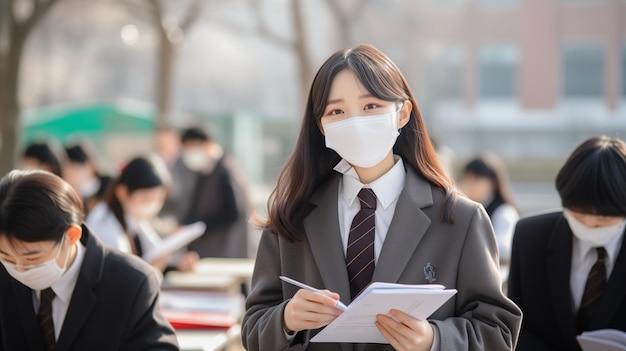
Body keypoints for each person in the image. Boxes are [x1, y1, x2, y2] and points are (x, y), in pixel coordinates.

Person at [242, 44, 521, 351]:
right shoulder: (292, 215)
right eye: (337, 111)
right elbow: (254, 328)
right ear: (321, 126)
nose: (356, 122)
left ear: (402, 113)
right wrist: (286, 319)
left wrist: (435, 340)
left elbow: (498, 333)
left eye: (371, 106)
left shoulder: (460, 218)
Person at [0, 169, 178, 350]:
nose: (20, 269)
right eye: (5, 256)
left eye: (32, 257)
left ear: (71, 235)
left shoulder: (131, 284)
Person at [508, 135, 626, 351]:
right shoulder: (531, 237)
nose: (589, 225)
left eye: (604, 221)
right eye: (578, 216)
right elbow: (515, 324)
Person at [86, 156, 197, 272]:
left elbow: (153, 253)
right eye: (146, 199)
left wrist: (177, 265)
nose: (153, 206)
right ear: (123, 192)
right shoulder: (104, 223)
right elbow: (121, 274)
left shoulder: (135, 217)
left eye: (159, 199)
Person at [169, 126, 250, 258]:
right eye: (187, 149)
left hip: (225, 251)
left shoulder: (225, 170)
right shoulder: (206, 169)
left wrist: (194, 225)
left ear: (208, 144)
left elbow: (232, 213)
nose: (190, 154)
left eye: (194, 147)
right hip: (211, 250)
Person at [459, 153, 519, 264]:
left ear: (492, 182)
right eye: (467, 178)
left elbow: (504, 249)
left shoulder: (504, 211)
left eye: (476, 178)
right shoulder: (462, 209)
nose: (469, 184)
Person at [63, 143, 112, 214]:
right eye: (67, 167)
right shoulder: (67, 195)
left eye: (75, 167)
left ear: (89, 165)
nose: (69, 173)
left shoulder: (108, 185)